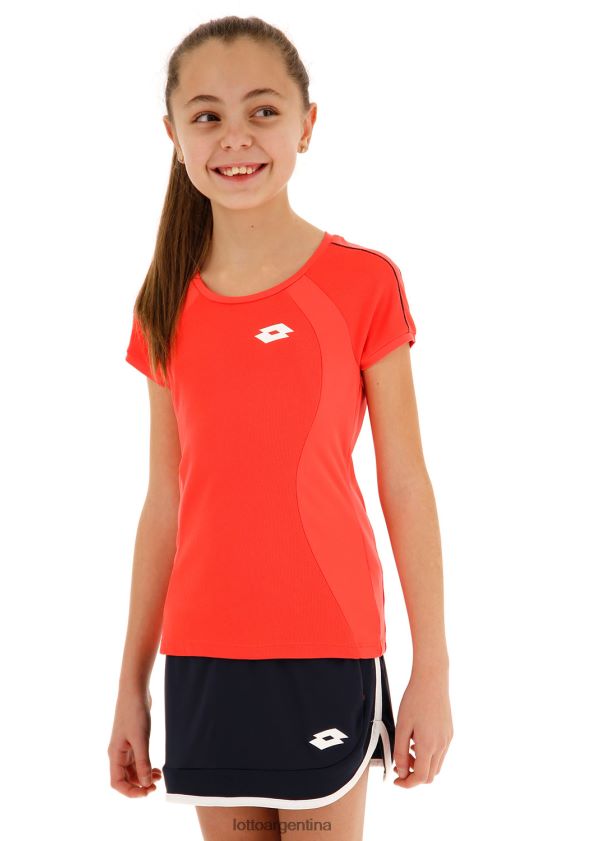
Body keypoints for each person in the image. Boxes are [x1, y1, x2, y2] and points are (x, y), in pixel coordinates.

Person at [108, 15, 452, 841]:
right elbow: (164, 503)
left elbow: (404, 482)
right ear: (173, 136)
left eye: (262, 110)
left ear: (306, 123)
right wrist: (130, 684)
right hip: (203, 657)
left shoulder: (362, 283)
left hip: (326, 645)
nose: (236, 137)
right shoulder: (163, 304)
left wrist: (430, 668)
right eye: (207, 115)